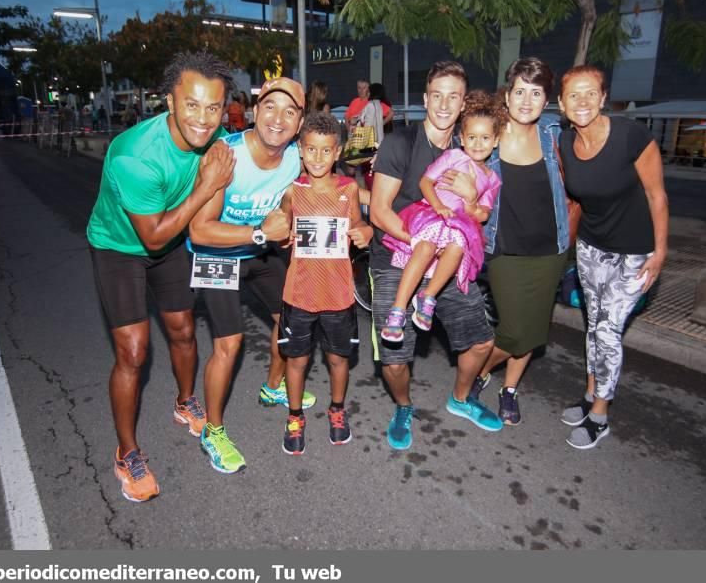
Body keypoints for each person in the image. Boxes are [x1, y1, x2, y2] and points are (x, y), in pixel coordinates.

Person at [86, 51, 236, 503]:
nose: (204, 119)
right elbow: (151, 237)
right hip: (121, 246)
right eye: (192, 105)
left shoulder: (218, 140)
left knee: (184, 329)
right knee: (133, 351)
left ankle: (185, 401)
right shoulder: (134, 154)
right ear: (169, 101)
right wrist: (207, 186)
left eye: (213, 108)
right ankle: (127, 452)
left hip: (172, 244)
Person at [369, 61, 503, 451]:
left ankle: (461, 398)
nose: (444, 104)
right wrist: (426, 241)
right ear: (425, 99)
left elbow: (481, 213)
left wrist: (472, 196)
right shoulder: (400, 143)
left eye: (454, 96)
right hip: (401, 251)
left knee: (480, 342)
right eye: (437, 95)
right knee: (394, 358)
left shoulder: (472, 151)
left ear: (463, 104)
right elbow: (379, 211)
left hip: (450, 256)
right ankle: (404, 405)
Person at [188, 77, 312, 474]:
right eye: (271, 107)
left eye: (290, 112)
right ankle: (213, 430)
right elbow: (198, 230)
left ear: (300, 122)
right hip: (217, 252)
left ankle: (273, 387)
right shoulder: (226, 155)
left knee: (291, 321)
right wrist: (262, 232)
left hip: (259, 252)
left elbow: (304, 194)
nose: (278, 118)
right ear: (255, 112)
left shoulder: (296, 157)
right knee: (230, 343)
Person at [557, 65, 668, 449]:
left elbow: (657, 196)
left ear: (603, 98)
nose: (583, 101)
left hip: (635, 252)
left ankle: (600, 415)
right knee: (594, 325)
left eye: (591, 93)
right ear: (562, 103)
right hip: (591, 247)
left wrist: (660, 252)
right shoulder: (565, 144)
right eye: (574, 94)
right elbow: (574, 200)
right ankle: (590, 395)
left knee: (607, 331)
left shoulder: (630, 136)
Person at [466, 57, 572, 426]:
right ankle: (478, 375)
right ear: (507, 94)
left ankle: (508, 389)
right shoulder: (488, 133)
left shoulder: (554, 133)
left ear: (547, 99)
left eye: (537, 93)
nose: (527, 100)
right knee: (514, 330)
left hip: (551, 250)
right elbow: (450, 156)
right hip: (505, 251)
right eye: (520, 91)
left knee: (534, 332)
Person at [276, 111, 373, 455]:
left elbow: (361, 225)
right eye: (311, 150)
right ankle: (294, 416)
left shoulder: (349, 189)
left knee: (338, 358)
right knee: (297, 359)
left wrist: (365, 231)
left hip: (338, 294)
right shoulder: (292, 191)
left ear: (337, 152)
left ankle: (336, 409)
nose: (318, 157)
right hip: (299, 293)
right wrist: (277, 231)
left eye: (326, 150)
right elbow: (279, 226)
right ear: (301, 150)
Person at [379, 90, 501, 343]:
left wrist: (469, 200)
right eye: (472, 137)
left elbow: (483, 214)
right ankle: (398, 309)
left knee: (457, 247)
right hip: (430, 214)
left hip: (459, 224)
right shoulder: (454, 156)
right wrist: (437, 206)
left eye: (485, 138)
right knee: (425, 247)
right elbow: (426, 182)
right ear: (462, 139)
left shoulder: (492, 179)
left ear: (496, 141)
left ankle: (428, 296)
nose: (478, 144)